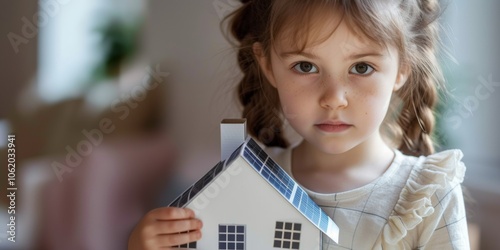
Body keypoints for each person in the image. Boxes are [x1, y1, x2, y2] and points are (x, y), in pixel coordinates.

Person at [128, 0, 470, 249]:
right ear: (267, 65)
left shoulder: (430, 196)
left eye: (362, 67)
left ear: (402, 69)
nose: (334, 97)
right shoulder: (243, 183)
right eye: (306, 66)